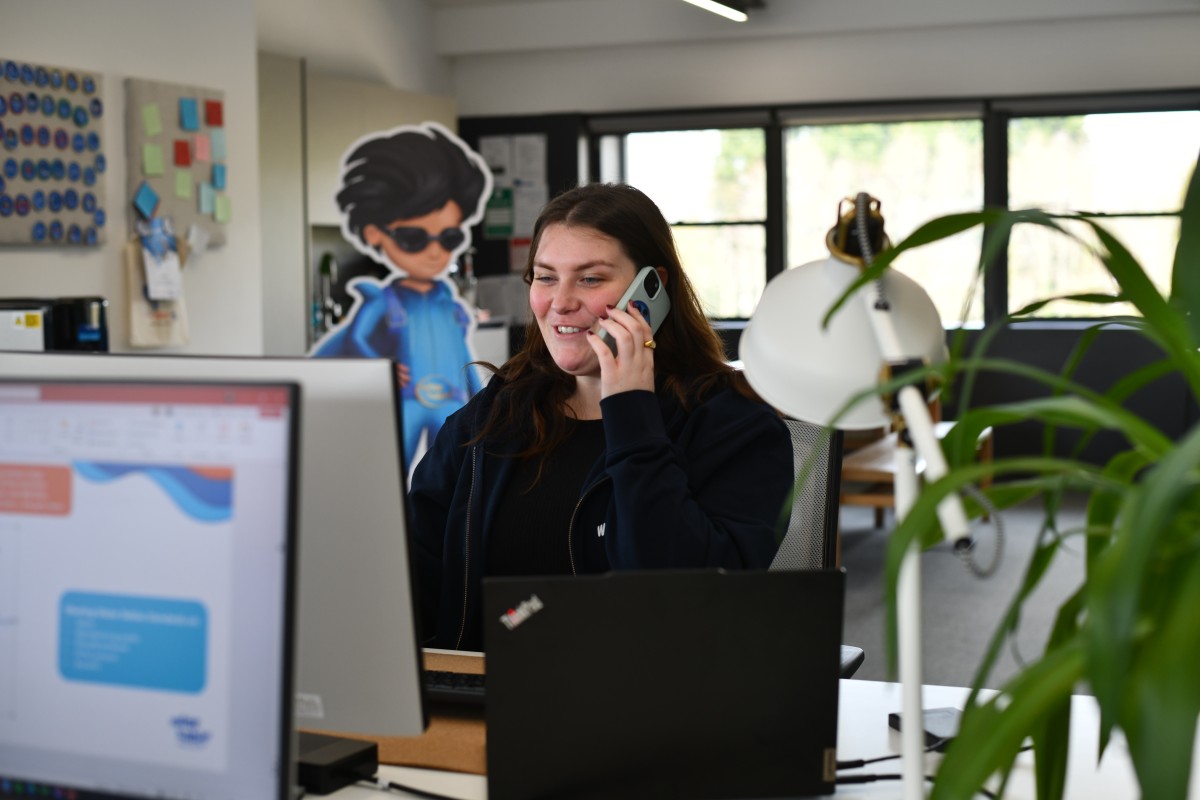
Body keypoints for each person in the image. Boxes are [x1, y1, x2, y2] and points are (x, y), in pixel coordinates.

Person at [408, 183, 793, 651]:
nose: (561, 302)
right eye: (545, 277)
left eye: (590, 279)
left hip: (643, 706)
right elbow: (414, 571)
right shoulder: (494, 416)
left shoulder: (733, 426)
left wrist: (631, 411)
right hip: (483, 701)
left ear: (652, 289)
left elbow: (686, 598)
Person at [310, 123, 490, 466]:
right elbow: (355, 341)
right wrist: (381, 368)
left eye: (449, 238)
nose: (435, 252)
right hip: (407, 400)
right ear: (376, 233)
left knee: (462, 473)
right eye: (413, 238)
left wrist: (485, 400)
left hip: (452, 403)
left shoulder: (450, 306)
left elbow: (463, 353)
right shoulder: (381, 301)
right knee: (392, 471)